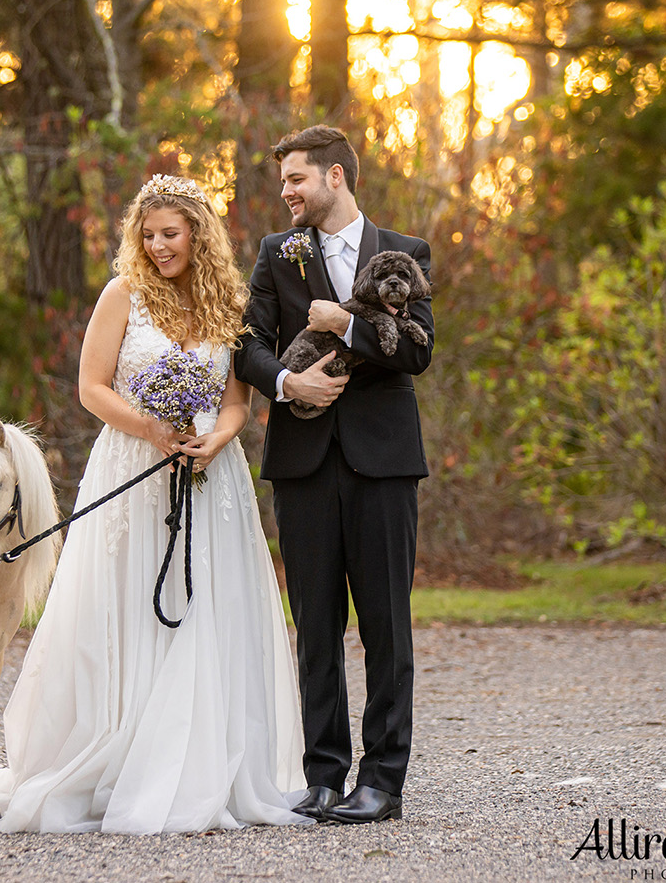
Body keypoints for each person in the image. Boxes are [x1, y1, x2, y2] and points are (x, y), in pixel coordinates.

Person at [0, 174, 308, 833]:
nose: (158, 247)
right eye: (148, 236)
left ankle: (208, 768)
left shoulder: (226, 304)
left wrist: (214, 440)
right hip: (134, 464)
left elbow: (238, 401)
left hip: (214, 475)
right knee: (124, 607)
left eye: (170, 234)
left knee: (210, 610)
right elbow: (90, 388)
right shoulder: (123, 295)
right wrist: (154, 430)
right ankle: (119, 761)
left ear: (198, 234)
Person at [233, 125, 434, 825]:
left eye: (296, 179)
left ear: (336, 177)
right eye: (284, 180)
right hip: (302, 463)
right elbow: (247, 347)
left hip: (383, 465)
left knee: (386, 626)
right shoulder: (275, 254)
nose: (285, 191)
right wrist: (289, 385)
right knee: (315, 628)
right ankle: (323, 777)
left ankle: (382, 782)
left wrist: (343, 327)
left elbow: (419, 352)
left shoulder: (405, 253)